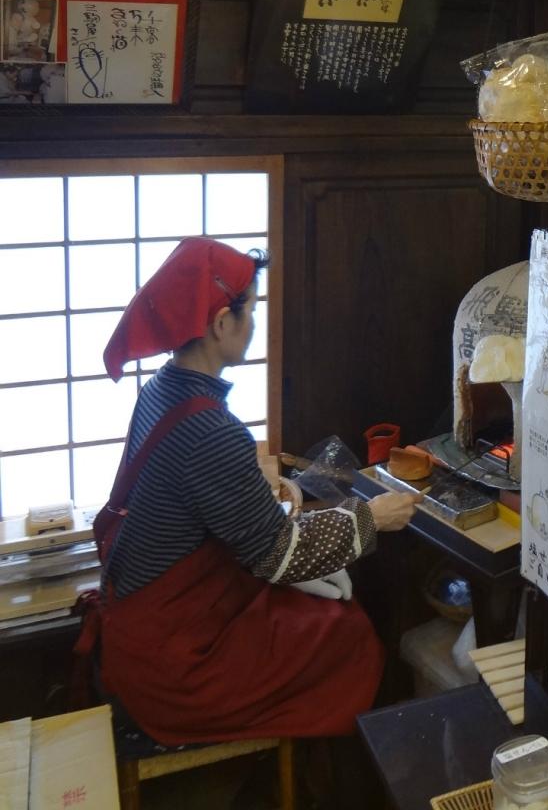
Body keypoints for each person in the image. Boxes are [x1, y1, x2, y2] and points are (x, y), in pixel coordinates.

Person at [78, 236, 421, 747]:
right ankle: (333, 770)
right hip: (175, 666)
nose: (255, 324)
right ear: (222, 323)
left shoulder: (160, 390)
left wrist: (258, 492)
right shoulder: (211, 431)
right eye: (252, 311)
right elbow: (279, 555)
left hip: (141, 629)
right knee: (346, 633)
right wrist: (374, 517)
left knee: (311, 612)